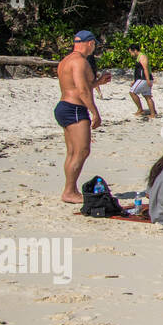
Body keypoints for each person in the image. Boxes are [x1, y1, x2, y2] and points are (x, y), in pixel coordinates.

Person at [55, 31, 102, 203]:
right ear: (89, 43)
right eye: (94, 44)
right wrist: (95, 112)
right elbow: (82, 91)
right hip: (75, 109)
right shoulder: (80, 62)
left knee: (72, 152)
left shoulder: (66, 61)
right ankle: (69, 191)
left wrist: (98, 82)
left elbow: (75, 86)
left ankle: (71, 189)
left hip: (64, 107)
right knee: (82, 151)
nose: (94, 47)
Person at [127, 43, 158, 118]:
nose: (131, 54)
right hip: (143, 79)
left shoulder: (142, 57)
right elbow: (138, 71)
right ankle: (153, 113)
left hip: (144, 79)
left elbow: (145, 68)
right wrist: (134, 81)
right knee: (147, 96)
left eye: (130, 52)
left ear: (134, 50)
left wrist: (147, 79)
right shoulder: (139, 57)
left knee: (132, 92)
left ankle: (140, 109)